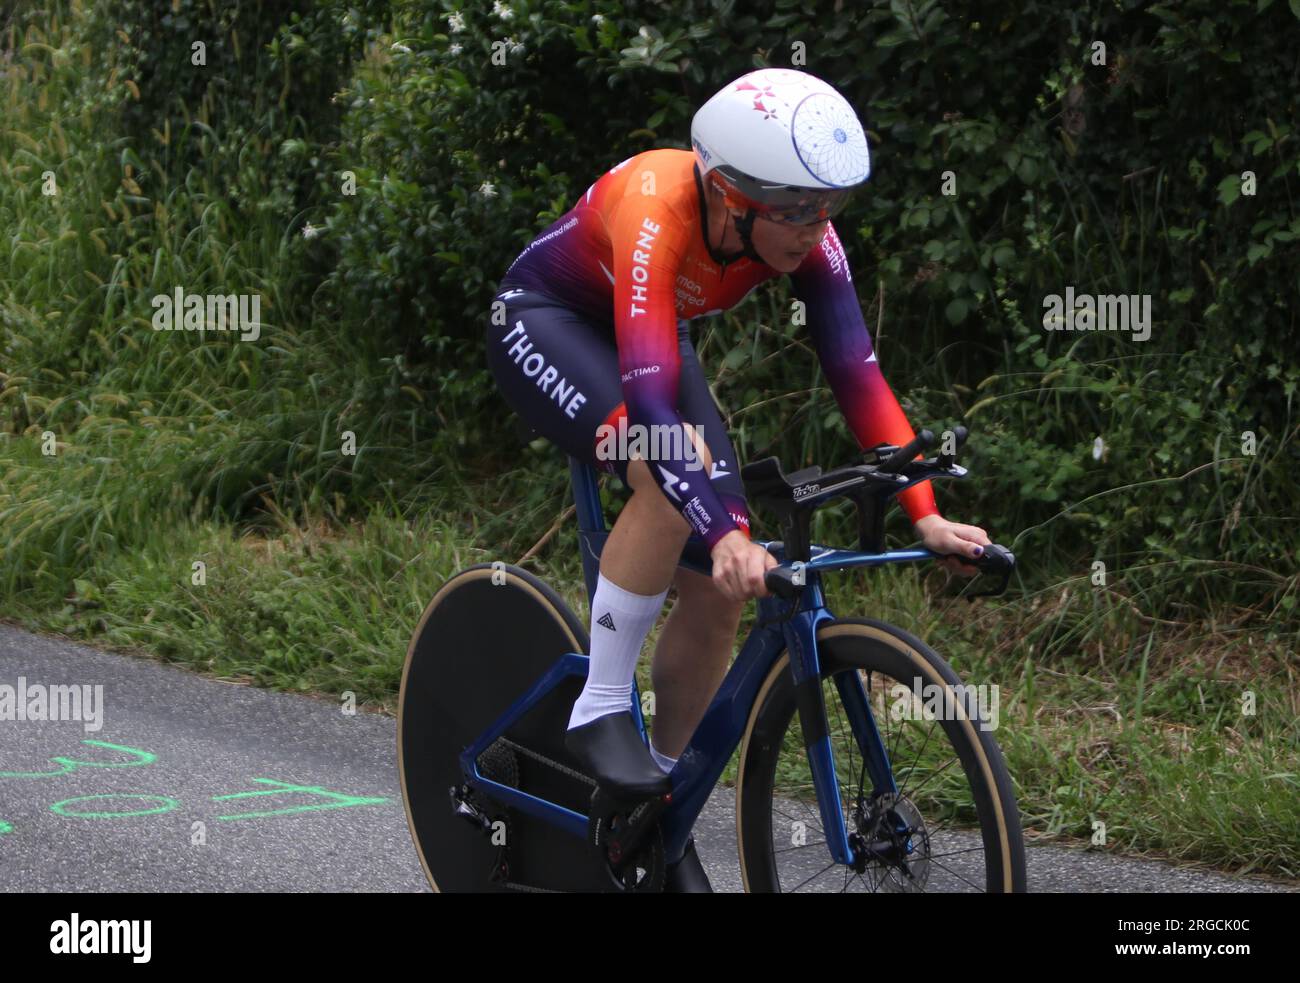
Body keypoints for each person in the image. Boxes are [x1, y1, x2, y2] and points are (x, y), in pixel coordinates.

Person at [485, 68, 991, 891]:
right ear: (726, 193)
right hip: (547, 320)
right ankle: (599, 702)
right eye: (793, 207)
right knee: (668, 472)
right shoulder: (658, 208)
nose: (813, 227)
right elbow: (650, 404)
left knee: (724, 587)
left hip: (649, 333)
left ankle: (654, 810)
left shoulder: (808, 238)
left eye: (826, 206)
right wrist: (720, 528)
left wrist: (925, 514)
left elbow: (857, 375)